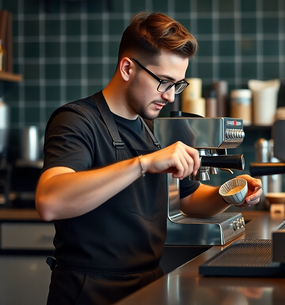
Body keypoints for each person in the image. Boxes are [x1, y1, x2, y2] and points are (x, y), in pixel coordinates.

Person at [35, 11, 262, 305]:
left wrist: (228, 194)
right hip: (89, 290)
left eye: (178, 85)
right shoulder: (77, 121)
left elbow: (187, 199)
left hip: (149, 285)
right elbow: (50, 202)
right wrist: (143, 163)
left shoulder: (153, 131)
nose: (170, 97)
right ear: (128, 68)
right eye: (164, 81)